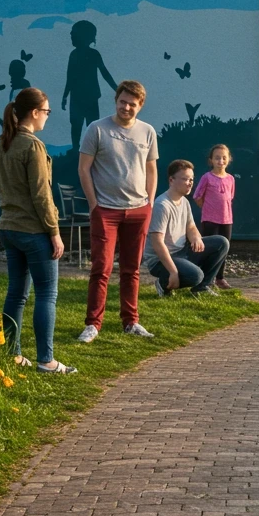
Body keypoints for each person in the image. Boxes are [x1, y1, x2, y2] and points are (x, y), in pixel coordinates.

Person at [0, 87, 76, 375]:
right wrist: (54, 231)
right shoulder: (32, 146)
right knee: (46, 294)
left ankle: (13, 354)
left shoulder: (5, 143)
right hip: (33, 231)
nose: (47, 117)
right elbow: (42, 195)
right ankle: (46, 360)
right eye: (47, 112)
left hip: (8, 227)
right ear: (34, 112)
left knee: (16, 294)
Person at [77, 80, 158, 343]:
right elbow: (84, 168)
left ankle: (130, 321)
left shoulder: (147, 132)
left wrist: (150, 202)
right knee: (101, 268)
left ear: (140, 106)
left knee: (131, 269)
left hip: (138, 211)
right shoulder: (97, 129)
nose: (126, 107)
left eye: (132, 104)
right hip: (106, 211)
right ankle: (93, 324)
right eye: (122, 102)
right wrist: (93, 204)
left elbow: (151, 169)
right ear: (116, 100)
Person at [145, 159, 230, 296]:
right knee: (195, 276)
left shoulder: (184, 202)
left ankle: (201, 288)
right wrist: (173, 271)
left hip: (182, 251)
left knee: (221, 243)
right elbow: (157, 242)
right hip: (161, 260)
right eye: (185, 179)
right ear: (171, 180)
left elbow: (190, 226)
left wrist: (196, 238)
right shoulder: (162, 205)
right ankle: (163, 283)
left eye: (191, 179)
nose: (190, 183)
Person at [62, 20, 117, 154]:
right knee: (77, 123)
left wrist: (118, 89)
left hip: (88, 96)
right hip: (81, 95)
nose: (71, 35)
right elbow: (70, 77)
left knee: (90, 124)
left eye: (73, 33)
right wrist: (65, 95)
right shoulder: (75, 55)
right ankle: (77, 148)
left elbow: (104, 73)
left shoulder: (92, 54)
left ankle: (90, 148)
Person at [192, 143, 235, 290]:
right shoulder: (207, 177)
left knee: (224, 248)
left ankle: (220, 278)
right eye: (217, 158)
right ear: (211, 160)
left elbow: (230, 197)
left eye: (224, 158)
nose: (220, 161)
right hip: (210, 219)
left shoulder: (230, 179)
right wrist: (208, 208)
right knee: (209, 249)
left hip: (227, 219)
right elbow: (197, 196)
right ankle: (204, 278)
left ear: (229, 159)